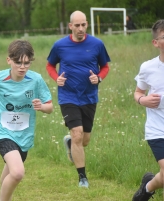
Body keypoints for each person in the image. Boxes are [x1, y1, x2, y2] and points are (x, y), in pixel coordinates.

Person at [0, 39, 53, 201]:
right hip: (2, 132)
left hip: (24, 135)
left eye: (26, 63)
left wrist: (41, 107)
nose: (22, 67)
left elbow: (50, 107)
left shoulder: (36, 80)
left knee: (7, 178)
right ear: (9, 60)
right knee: (17, 173)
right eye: (18, 63)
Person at [46, 10, 110, 188]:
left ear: (87, 24)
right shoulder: (60, 46)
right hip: (68, 96)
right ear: (70, 26)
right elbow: (50, 65)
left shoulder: (97, 44)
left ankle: (69, 143)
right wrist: (56, 78)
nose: (81, 29)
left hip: (89, 97)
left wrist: (99, 78)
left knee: (85, 140)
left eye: (83, 25)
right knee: (77, 134)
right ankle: (82, 177)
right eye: (77, 25)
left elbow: (105, 67)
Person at [132, 19, 164, 201]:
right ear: (155, 42)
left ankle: (147, 187)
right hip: (157, 129)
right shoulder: (148, 68)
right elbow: (138, 92)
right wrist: (143, 100)